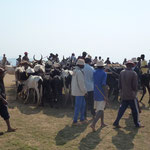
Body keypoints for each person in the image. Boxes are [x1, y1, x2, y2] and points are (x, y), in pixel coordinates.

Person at [113, 60, 143, 128]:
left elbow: (119, 85)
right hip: (131, 95)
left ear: (126, 65)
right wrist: (135, 92)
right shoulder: (133, 73)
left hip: (124, 94)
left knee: (121, 109)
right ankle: (137, 124)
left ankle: (116, 121)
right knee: (135, 110)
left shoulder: (122, 72)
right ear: (132, 66)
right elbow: (135, 86)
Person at [90, 60, 108, 131]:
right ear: (103, 66)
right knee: (100, 110)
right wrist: (106, 95)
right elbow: (104, 84)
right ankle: (93, 124)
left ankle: (102, 123)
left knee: (101, 108)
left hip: (96, 92)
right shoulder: (104, 73)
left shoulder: (94, 72)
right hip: (101, 93)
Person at [0, 68, 16, 135]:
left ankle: (9, 128)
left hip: (1, 100)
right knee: (5, 113)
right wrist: (3, 100)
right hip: (0, 100)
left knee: (6, 114)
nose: (4, 74)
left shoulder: (1, 80)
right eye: (3, 73)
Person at [71, 59, 87, 125]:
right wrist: (85, 91)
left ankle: (82, 119)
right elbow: (81, 83)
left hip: (77, 91)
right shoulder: (79, 72)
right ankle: (75, 121)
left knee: (82, 105)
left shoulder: (75, 71)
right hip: (80, 92)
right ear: (81, 65)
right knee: (79, 106)